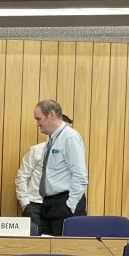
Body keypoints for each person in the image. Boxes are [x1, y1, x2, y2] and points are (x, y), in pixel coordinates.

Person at [33, 98, 87, 236]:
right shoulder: (51, 138)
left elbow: (80, 175)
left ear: (51, 114)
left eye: (39, 119)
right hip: (48, 204)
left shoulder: (70, 137)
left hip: (64, 203)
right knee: (45, 246)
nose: (37, 124)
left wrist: (70, 207)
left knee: (63, 248)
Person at [14, 114, 74, 232]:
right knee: (35, 241)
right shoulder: (36, 151)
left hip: (60, 207)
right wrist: (25, 204)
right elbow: (21, 178)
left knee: (59, 241)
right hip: (35, 206)